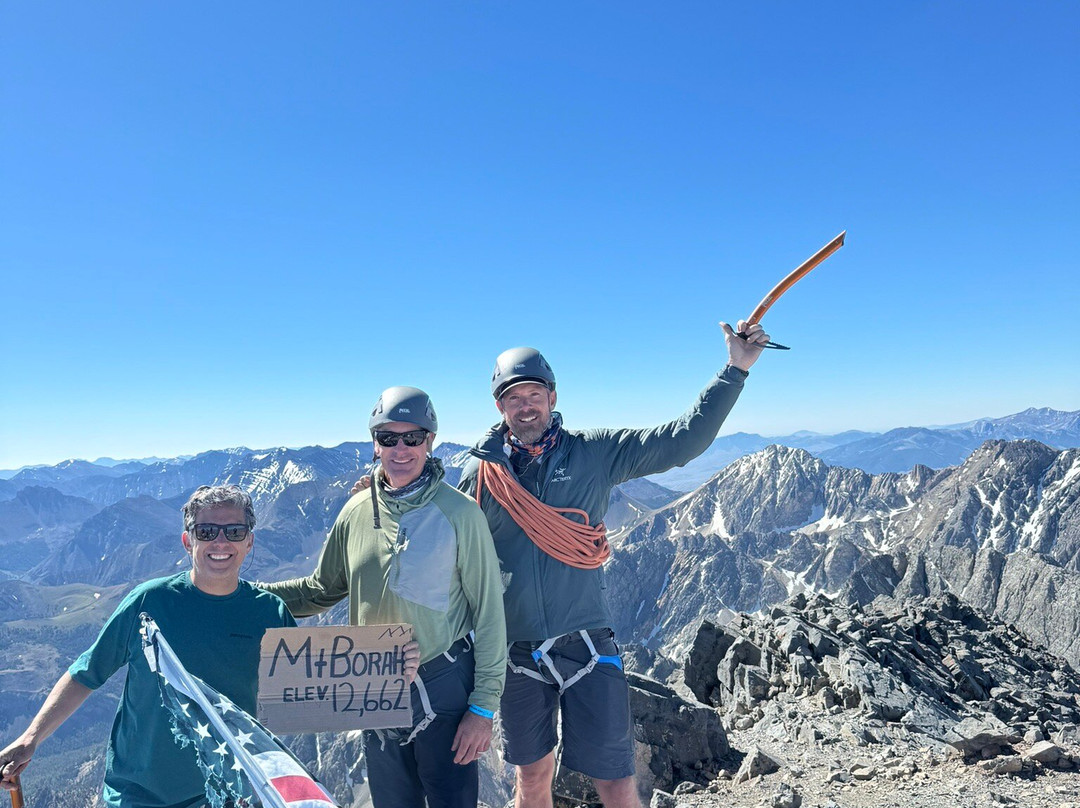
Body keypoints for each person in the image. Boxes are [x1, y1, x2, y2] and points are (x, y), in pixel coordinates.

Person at [458, 321, 769, 808]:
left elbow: (681, 441)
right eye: (513, 397)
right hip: (517, 650)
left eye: (534, 393)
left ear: (552, 397)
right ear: (500, 407)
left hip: (586, 641)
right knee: (532, 779)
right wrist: (381, 492)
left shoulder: (593, 453)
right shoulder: (479, 473)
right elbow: (443, 536)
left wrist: (735, 370)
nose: (525, 405)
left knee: (617, 782)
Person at [262, 386, 506, 808]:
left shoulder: (461, 514)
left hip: (443, 685)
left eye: (412, 437)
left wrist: (483, 709)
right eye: (388, 438)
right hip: (374, 687)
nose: (400, 448)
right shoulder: (356, 511)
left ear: (430, 441)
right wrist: (244, 596)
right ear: (375, 444)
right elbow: (321, 589)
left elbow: (489, 612)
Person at [0, 485, 303, 808]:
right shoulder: (148, 602)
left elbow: (303, 694)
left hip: (229, 794)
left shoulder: (270, 612)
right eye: (206, 531)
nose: (220, 541)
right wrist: (31, 738)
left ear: (249, 541)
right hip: (140, 796)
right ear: (188, 541)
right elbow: (86, 674)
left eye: (234, 531)